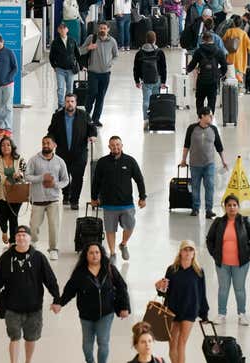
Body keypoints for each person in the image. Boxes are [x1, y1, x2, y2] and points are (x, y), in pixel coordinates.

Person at [0, 225, 61, 363]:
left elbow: (50, 280)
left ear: (30, 238)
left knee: (31, 337)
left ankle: (28, 361)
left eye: (24, 235)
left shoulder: (39, 258)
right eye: (18, 235)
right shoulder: (5, 258)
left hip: (34, 308)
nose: (21, 237)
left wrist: (57, 299)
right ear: (15, 238)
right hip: (12, 307)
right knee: (14, 337)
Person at [55, 242, 131, 363]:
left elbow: (122, 287)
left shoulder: (110, 269)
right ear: (86, 255)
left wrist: (125, 307)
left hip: (106, 314)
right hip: (86, 316)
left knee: (103, 342)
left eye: (97, 252)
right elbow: (69, 290)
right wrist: (59, 303)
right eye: (91, 253)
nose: (94, 255)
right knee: (87, 346)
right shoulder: (80, 273)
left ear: (101, 254)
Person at [205, 195, 250, 326]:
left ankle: (242, 314)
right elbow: (209, 239)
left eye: (234, 205)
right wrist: (215, 254)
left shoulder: (246, 221)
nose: (232, 208)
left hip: (240, 264)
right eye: (229, 205)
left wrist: (247, 252)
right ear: (225, 207)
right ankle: (221, 314)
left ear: (238, 207)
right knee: (223, 289)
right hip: (222, 264)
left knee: (239, 289)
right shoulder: (218, 222)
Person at [91, 136, 146, 264]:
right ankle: (112, 253)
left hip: (126, 203)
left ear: (122, 146)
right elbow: (96, 182)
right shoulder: (102, 162)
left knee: (130, 225)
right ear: (109, 147)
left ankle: (123, 244)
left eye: (118, 145)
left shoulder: (130, 161)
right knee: (110, 229)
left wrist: (142, 197)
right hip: (109, 204)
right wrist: (94, 198)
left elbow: (139, 179)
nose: (115, 147)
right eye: (113, 145)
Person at [155, 240, 209, 363]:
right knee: (172, 345)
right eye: (185, 249)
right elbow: (164, 291)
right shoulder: (172, 270)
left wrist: (204, 313)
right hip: (172, 309)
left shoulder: (199, 271)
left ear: (194, 253)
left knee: (182, 343)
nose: (188, 252)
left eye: (191, 250)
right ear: (180, 252)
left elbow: (202, 293)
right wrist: (159, 286)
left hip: (190, 310)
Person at [47, 93, 97, 210]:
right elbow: (51, 131)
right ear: (64, 103)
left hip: (79, 153)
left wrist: (93, 136)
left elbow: (92, 128)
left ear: (76, 103)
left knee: (78, 177)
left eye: (72, 101)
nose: (70, 104)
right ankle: (66, 195)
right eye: (68, 101)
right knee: (64, 176)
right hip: (62, 152)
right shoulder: (57, 116)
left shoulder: (84, 115)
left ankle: (75, 200)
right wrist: (51, 140)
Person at [179, 107, 228, 219]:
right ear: (202, 116)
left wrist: (223, 160)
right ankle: (195, 208)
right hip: (195, 164)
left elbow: (219, 146)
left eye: (211, 115)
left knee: (210, 186)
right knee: (195, 187)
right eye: (209, 115)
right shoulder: (192, 129)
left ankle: (209, 210)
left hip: (209, 164)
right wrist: (183, 159)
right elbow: (186, 145)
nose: (211, 117)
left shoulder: (213, 129)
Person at [27, 136, 69, 260]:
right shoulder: (34, 160)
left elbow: (66, 180)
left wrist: (56, 184)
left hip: (53, 200)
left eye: (48, 143)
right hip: (38, 200)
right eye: (43, 143)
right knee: (34, 226)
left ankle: (53, 249)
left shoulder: (60, 162)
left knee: (53, 226)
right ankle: (33, 243)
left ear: (54, 145)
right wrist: (41, 177)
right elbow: (27, 176)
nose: (45, 145)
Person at [80, 21, 119, 127]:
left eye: (104, 28)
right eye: (100, 28)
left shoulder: (112, 41)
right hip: (93, 72)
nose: (102, 30)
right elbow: (80, 50)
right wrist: (89, 48)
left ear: (108, 29)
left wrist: (111, 63)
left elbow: (116, 55)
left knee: (101, 97)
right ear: (98, 29)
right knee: (92, 93)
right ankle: (86, 117)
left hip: (105, 74)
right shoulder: (91, 38)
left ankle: (96, 119)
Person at [0, 136, 27, 245]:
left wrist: (19, 175)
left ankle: (12, 242)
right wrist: (5, 179)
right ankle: (4, 231)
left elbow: (25, 172)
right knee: (1, 216)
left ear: (12, 147)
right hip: (1, 193)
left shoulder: (19, 159)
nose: (5, 147)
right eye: (3, 145)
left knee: (13, 217)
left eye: (8, 145)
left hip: (16, 193)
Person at [186, 32, 228, 115]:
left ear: (203, 40)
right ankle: (210, 119)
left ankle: (200, 118)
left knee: (199, 100)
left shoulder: (198, 51)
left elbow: (192, 65)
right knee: (211, 101)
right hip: (213, 80)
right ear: (212, 39)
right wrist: (218, 74)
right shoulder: (218, 51)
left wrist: (187, 70)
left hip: (201, 80)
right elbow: (224, 67)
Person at [133, 31, 167, 130]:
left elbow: (136, 68)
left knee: (146, 101)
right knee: (156, 100)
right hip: (157, 79)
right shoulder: (159, 52)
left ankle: (146, 120)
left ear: (146, 39)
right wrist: (163, 81)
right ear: (155, 39)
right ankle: (155, 120)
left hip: (145, 80)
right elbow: (163, 67)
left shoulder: (140, 53)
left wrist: (137, 80)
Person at [49, 23, 80, 110]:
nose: (62, 30)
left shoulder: (72, 41)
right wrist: (54, 66)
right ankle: (61, 105)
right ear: (58, 30)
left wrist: (80, 65)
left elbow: (77, 54)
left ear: (67, 30)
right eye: (61, 29)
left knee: (70, 89)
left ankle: (69, 105)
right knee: (61, 88)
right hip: (60, 69)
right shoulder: (55, 42)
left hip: (70, 69)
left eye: (64, 28)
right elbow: (51, 56)